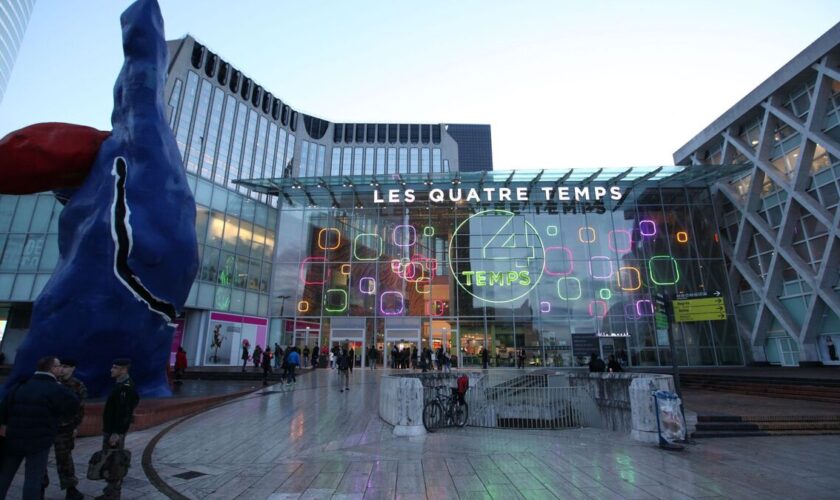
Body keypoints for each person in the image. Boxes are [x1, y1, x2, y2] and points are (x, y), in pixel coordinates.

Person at [0, 356, 79, 500]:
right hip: (39, 441)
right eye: (59, 365)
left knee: (5, 475)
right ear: (52, 369)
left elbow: (4, 407)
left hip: (13, 438)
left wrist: (4, 426)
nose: (61, 368)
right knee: (33, 479)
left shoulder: (21, 385)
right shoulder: (56, 389)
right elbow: (73, 405)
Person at [96, 358, 140, 500]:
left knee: (114, 461)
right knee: (111, 459)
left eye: (115, 367)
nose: (111, 370)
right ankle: (110, 492)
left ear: (123, 370)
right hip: (112, 429)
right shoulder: (120, 385)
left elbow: (124, 412)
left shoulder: (125, 388)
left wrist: (117, 432)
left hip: (115, 432)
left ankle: (113, 494)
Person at [54, 359, 87, 500]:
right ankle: (40, 487)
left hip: (65, 428)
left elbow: (80, 409)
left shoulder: (78, 385)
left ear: (73, 368)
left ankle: (70, 489)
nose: (62, 369)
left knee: (65, 459)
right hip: (48, 426)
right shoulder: (53, 383)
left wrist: (75, 427)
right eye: (60, 366)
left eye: (65, 366)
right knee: (40, 459)